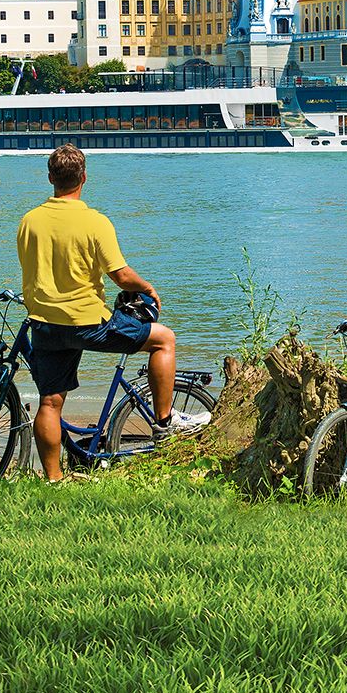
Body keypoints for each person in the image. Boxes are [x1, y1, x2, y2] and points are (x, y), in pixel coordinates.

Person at [16, 144, 209, 481]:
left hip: (44, 324)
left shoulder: (29, 221)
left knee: (49, 402)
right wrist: (147, 288)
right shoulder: (95, 221)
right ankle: (164, 423)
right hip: (87, 321)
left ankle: (53, 479)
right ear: (84, 178)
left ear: (50, 178)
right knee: (164, 339)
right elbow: (120, 275)